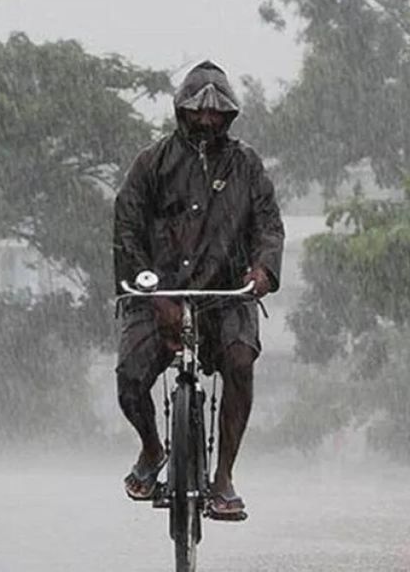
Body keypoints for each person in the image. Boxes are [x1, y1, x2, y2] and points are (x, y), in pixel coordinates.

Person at [113, 60, 284, 519]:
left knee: (241, 363)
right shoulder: (151, 164)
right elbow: (127, 229)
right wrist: (155, 294)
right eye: (197, 111)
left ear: (230, 117)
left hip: (225, 295)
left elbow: (269, 225)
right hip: (156, 295)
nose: (207, 120)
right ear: (180, 110)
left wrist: (263, 271)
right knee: (130, 378)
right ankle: (152, 450)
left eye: (217, 113)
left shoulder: (247, 165)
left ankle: (223, 476)